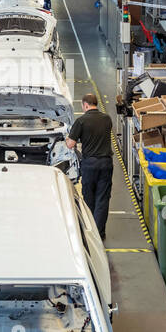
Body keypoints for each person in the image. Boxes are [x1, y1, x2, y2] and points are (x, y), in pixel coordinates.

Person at [66, 93, 113, 239]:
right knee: (102, 198)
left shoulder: (81, 121)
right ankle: (100, 232)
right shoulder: (107, 119)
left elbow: (70, 144)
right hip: (106, 163)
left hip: (90, 164)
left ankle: (90, 230)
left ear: (85, 105)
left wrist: (68, 138)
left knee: (89, 197)